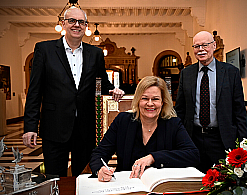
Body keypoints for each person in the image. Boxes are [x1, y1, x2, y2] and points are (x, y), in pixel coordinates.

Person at [22, 7, 125, 177]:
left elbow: (102, 82)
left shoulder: (96, 53)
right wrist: (30, 126)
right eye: (72, 21)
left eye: (81, 22)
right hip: (54, 126)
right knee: (55, 178)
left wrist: (113, 90)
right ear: (63, 23)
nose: (77, 25)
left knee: (85, 177)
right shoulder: (44, 50)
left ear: (86, 26)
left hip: (86, 128)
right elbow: (34, 91)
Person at [90, 76, 200, 181]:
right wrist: (100, 170)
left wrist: (153, 158)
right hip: (128, 185)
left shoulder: (173, 124)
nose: (150, 104)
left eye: (155, 99)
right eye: (145, 98)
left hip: (160, 188)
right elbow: (99, 154)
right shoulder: (122, 121)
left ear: (162, 102)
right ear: (138, 100)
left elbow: (193, 155)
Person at [175, 31, 247, 173]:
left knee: (222, 183)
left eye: (205, 45)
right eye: (196, 46)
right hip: (193, 138)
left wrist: (242, 142)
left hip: (222, 139)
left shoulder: (231, 72)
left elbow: (239, 110)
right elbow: (180, 109)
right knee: (194, 182)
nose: (200, 49)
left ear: (214, 46)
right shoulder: (186, 73)